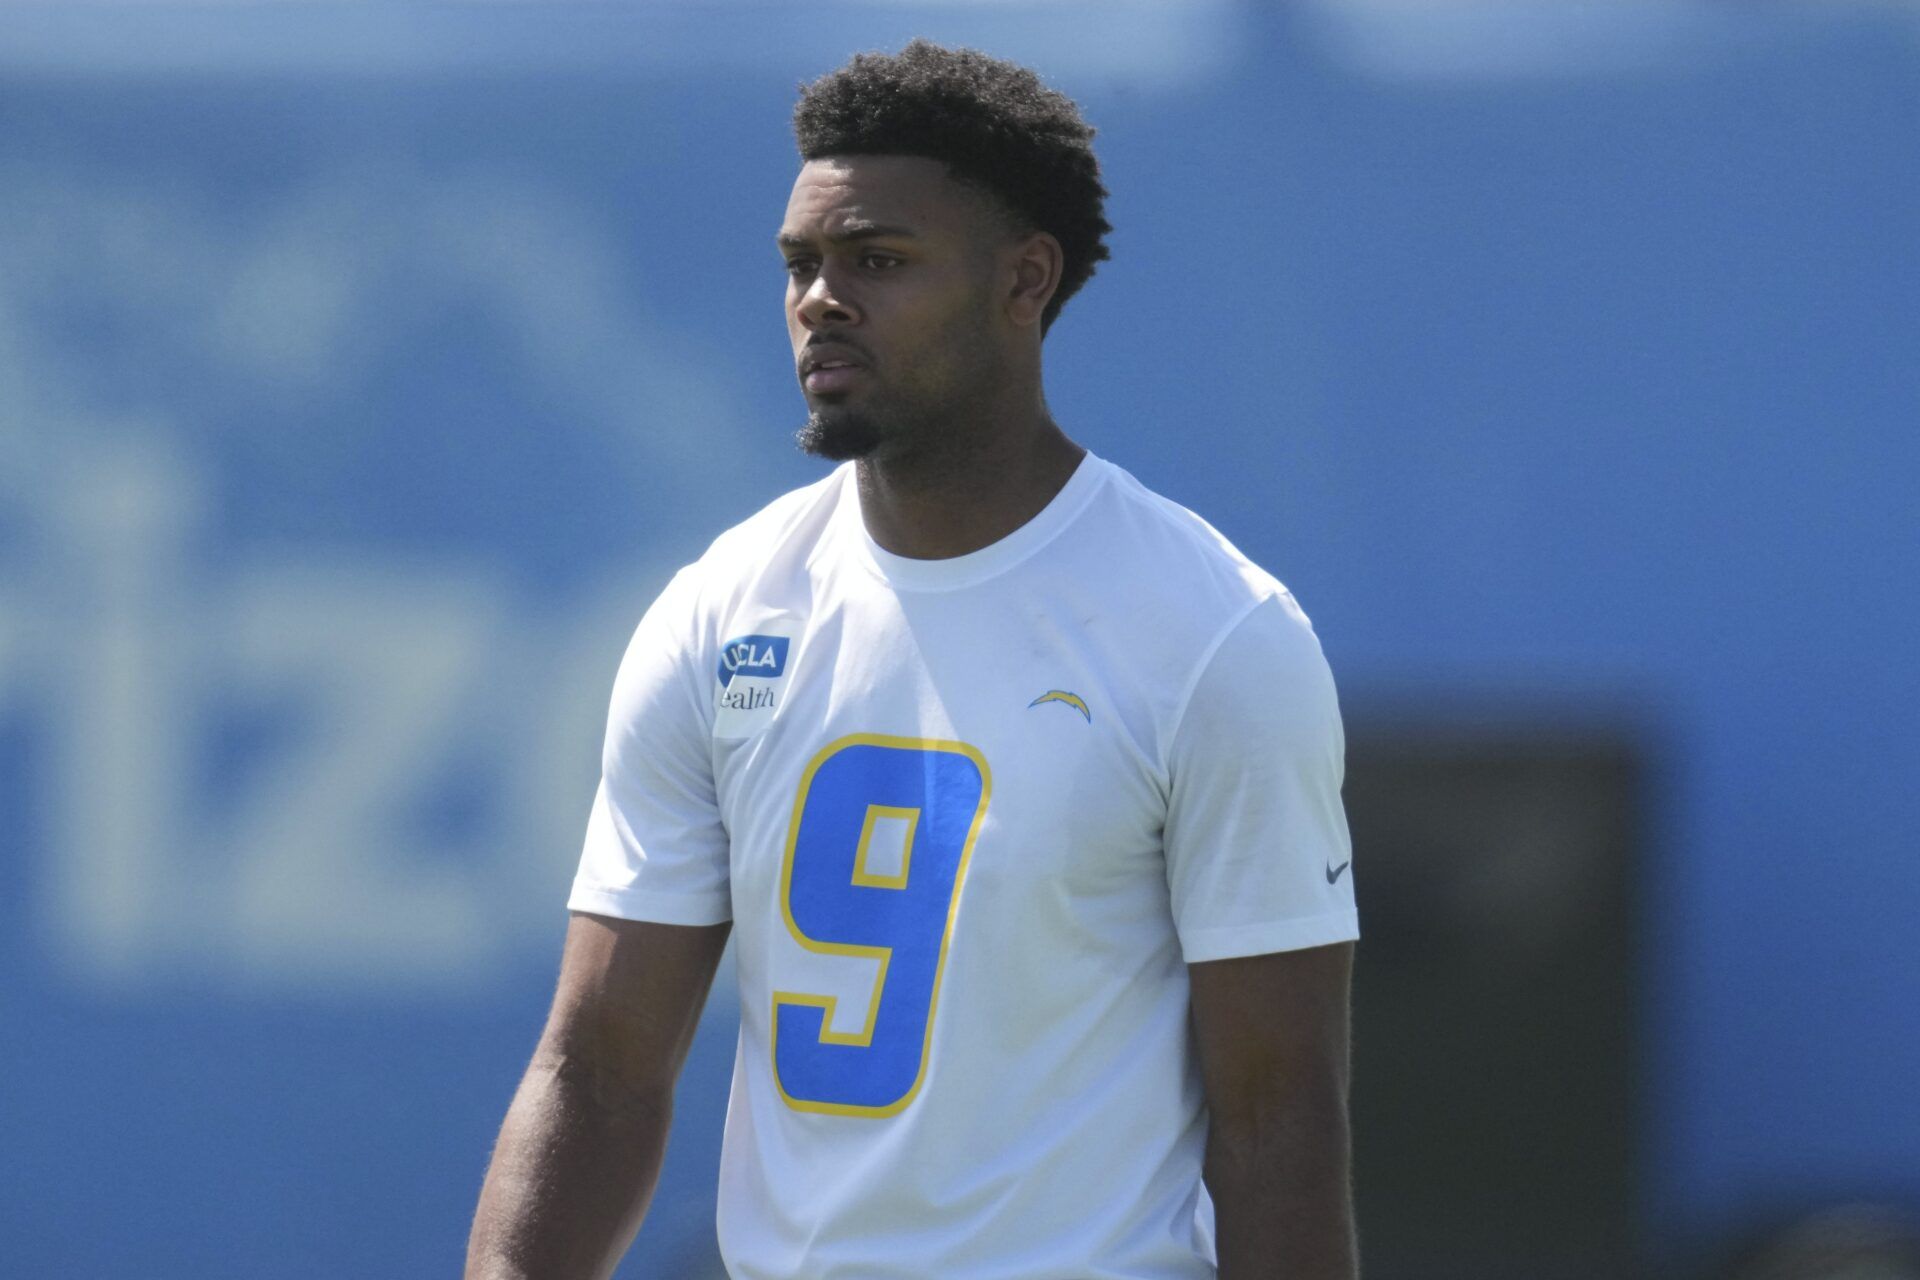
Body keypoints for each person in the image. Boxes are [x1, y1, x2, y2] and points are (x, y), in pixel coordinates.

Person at [466, 40, 1359, 1280]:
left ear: (1024, 281)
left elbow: (1276, 1119)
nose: (821, 299)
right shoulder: (721, 611)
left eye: (877, 260)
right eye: (801, 265)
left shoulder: (1212, 634)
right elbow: (601, 1066)